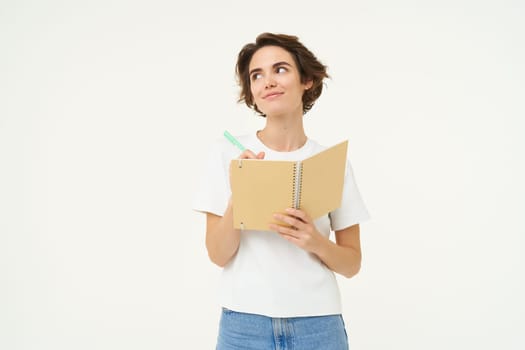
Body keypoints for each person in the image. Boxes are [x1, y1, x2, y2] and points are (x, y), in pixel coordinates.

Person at [193, 33, 370, 350]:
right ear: (252, 92)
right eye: (256, 75)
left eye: (280, 69)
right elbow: (217, 255)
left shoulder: (332, 163)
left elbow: (352, 264)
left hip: (319, 326)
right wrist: (241, 192)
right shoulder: (227, 155)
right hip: (244, 325)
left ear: (307, 80)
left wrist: (314, 242)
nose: (267, 82)